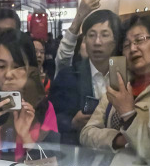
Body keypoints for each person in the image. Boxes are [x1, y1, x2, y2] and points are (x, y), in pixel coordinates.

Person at [79, 15, 150, 166]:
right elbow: (86, 133)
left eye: (140, 40)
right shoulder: (119, 85)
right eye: (127, 45)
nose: (133, 49)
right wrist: (116, 139)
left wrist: (129, 115)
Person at [0, 30, 58, 161]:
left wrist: (27, 138)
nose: (8, 74)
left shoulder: (44, 109)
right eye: (1, 66)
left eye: (17, 67)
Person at [50, 9, 122, 145]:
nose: (97, 42)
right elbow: (50, 116)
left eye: (105, 35)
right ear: (85, 40)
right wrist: (72, 122)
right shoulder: (68, 76)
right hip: (80, 151)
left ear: (115, 41)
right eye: (91, 35)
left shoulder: (124, 75)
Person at [55, 0, 103, 72]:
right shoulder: (69, 74)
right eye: (90, 36)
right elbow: (63, 58)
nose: (94, 42)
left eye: (104, 35)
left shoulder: (110, 73)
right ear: (78, 49)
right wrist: (80, 15)